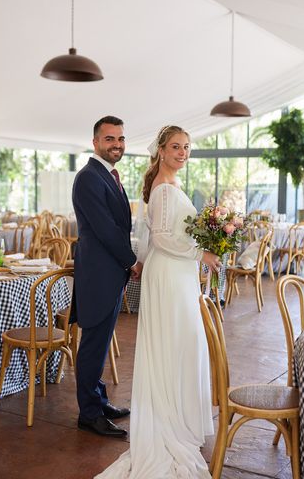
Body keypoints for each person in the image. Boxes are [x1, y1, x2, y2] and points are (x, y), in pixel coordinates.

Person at [96, 125, 221, 478]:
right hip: (168, 275)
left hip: (177, 274)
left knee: (185, 343)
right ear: (162, 151)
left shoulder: (172, 185)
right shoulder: (164, 190)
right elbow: (164, 240)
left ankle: (181, 416)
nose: (183, 152)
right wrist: (203, 253)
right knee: (175, 343)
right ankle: (170, 419)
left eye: (187, 147)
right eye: (176, 147)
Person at [71, 115, 143, 438]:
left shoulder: (108, 175)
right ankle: (88, 414)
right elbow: (105, 229)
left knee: (100, 344)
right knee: (92, 345)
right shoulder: (89, 177)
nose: (117, 145)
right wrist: (132, 262)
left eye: (121, 139)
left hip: (110, 274)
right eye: (110, 139)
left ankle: (98, 401)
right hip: (99, 273)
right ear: (96, 142)